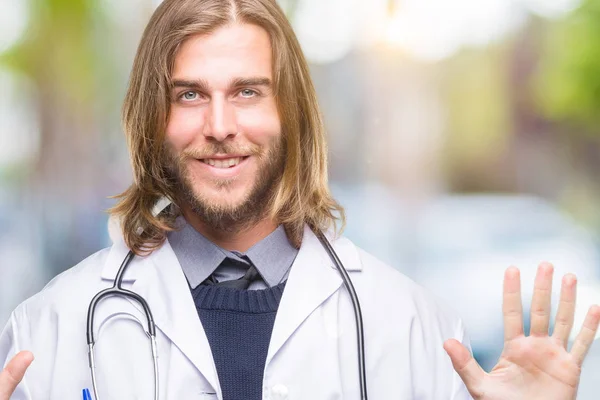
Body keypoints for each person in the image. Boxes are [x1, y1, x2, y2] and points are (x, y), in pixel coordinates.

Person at [1, 0, 599, 398]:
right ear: (150, 120)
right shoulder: (51, 327)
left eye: (247, 91)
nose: (218, 124)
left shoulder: (413, 327)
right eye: (188, 95)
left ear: (291, 114)